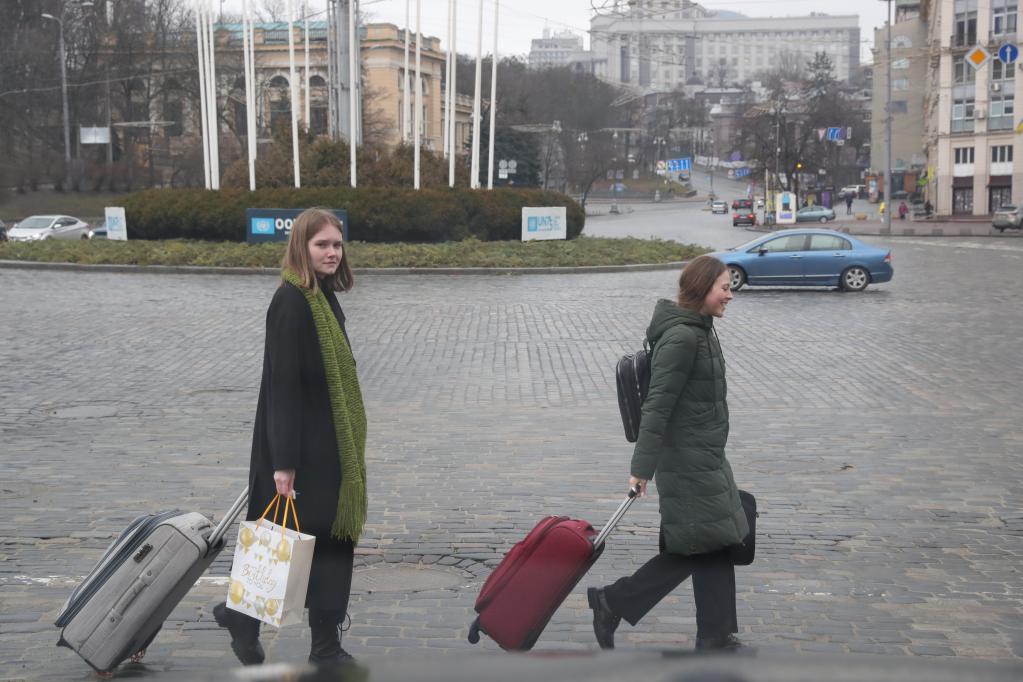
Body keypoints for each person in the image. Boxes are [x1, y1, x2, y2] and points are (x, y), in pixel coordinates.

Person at [213, 208, 368, 667]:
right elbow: (282, 384)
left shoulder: (322, 298)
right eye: (323, 245)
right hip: (299, 452)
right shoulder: (291, 302)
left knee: (331, 546)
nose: (332, 253)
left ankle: (304, 639)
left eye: (337, 245)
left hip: (330, 450)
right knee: (289, 547)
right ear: (302, 246)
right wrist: (283, 461)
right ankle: (255, 620)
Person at [587, 255, 749, 652]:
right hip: (686, 460)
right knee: (698, 542)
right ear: (701, 289)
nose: (730, 295)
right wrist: (641, 469)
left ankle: (715, 634)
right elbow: (657, 406)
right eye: (724, 287)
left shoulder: (701, 329)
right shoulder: (683, 338)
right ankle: (613, 600)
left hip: (705, 455)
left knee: (716, 539)